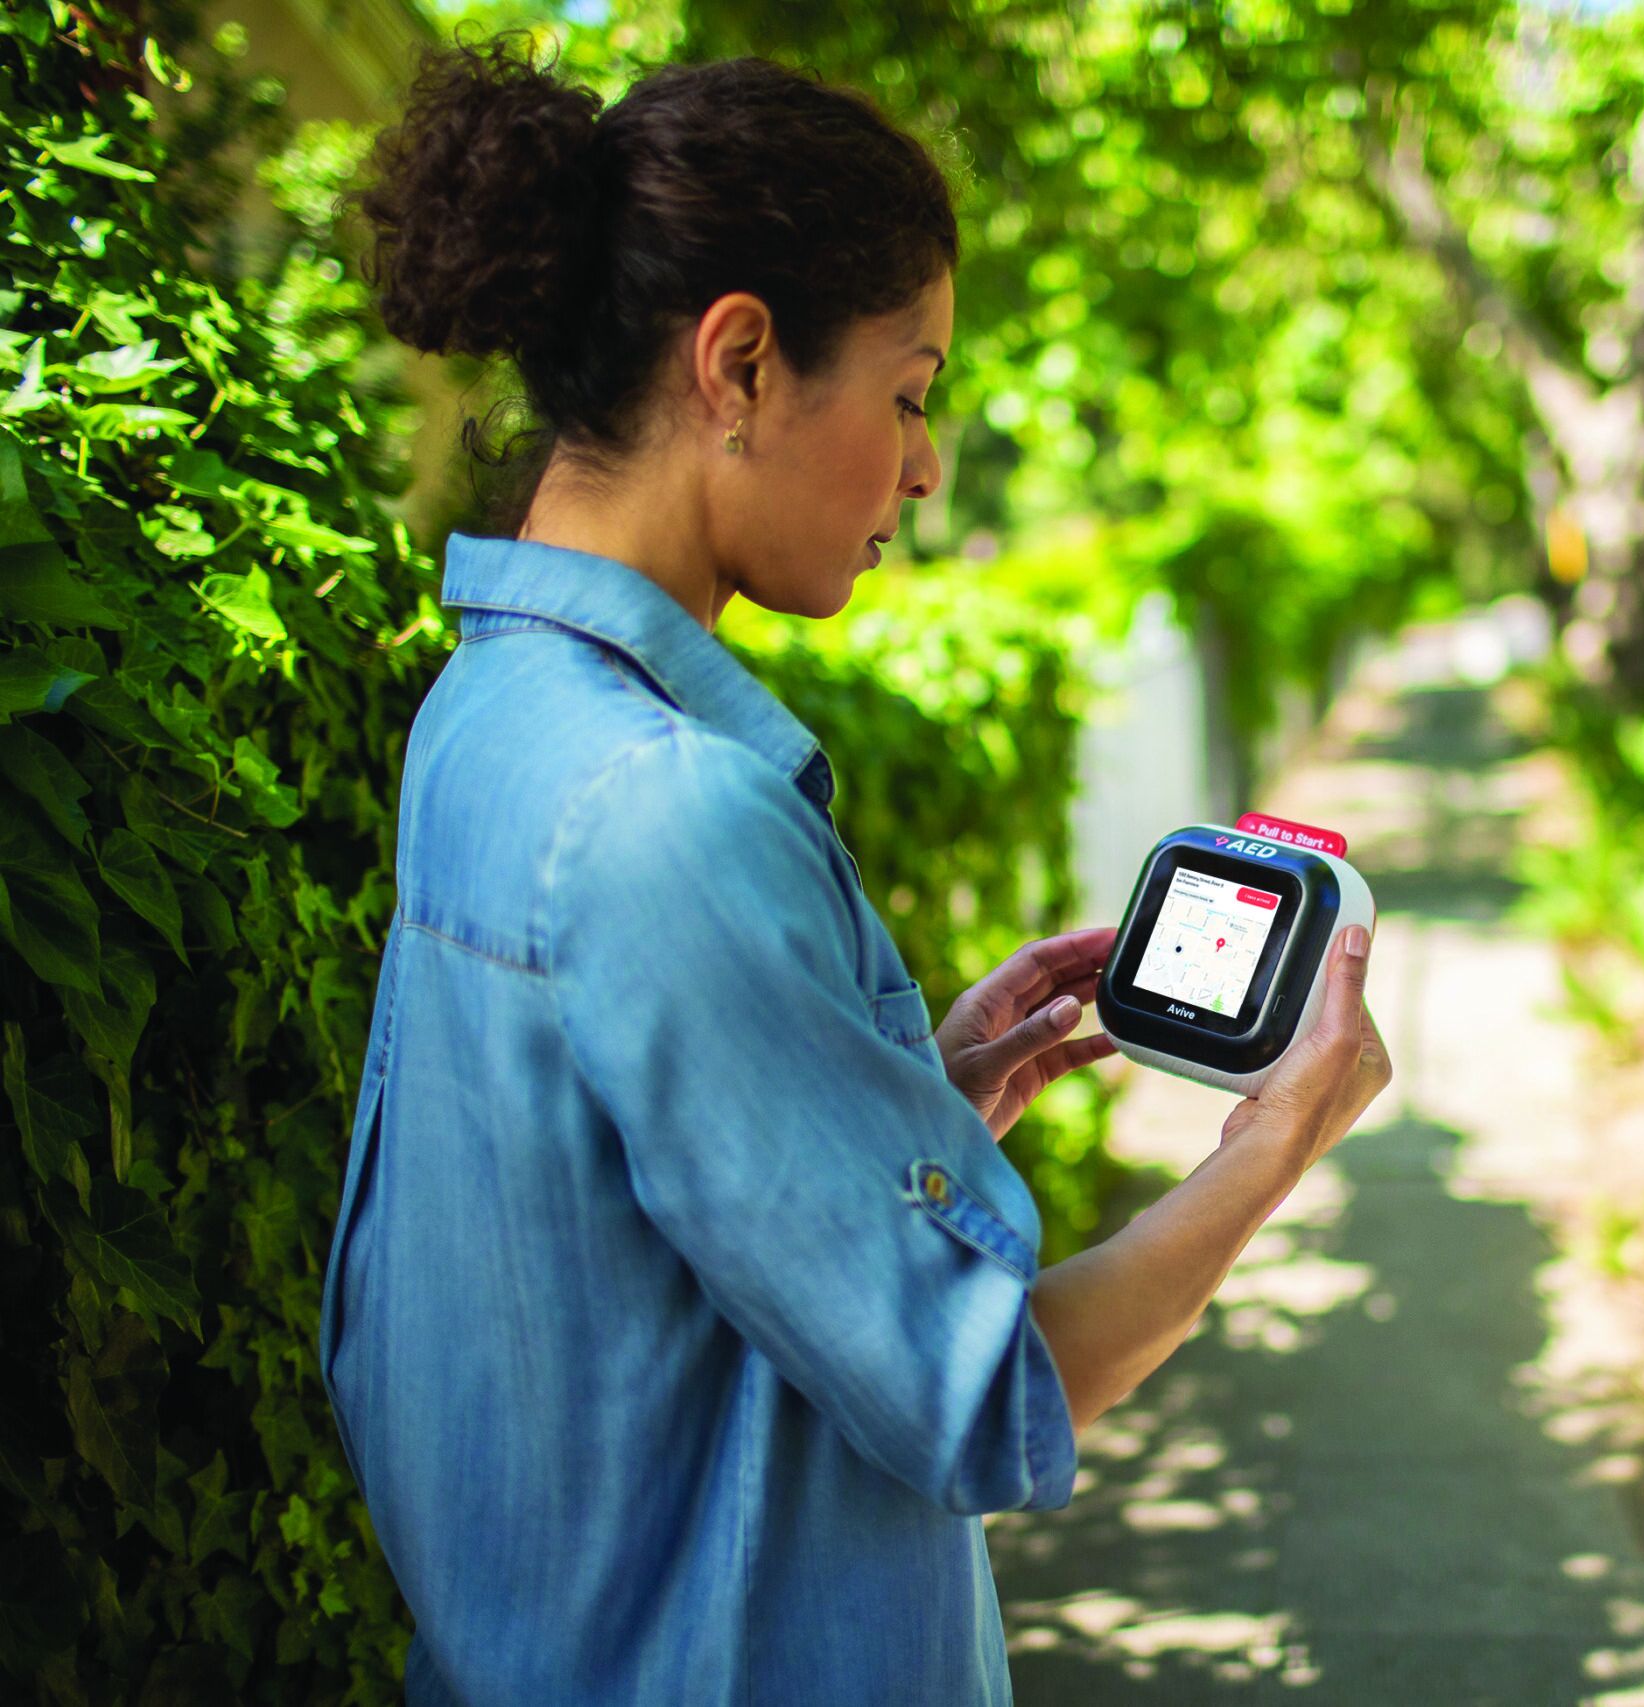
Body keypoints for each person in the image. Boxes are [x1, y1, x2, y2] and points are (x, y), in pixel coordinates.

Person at [316, 37, 1391, 1705]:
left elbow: (618, 1258)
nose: (926, 460)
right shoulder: (668, 810)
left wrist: (914, 1095)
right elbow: (986, 1396)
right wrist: (1275, 1141)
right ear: (739, 362)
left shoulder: (490, 711)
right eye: (906, 389)